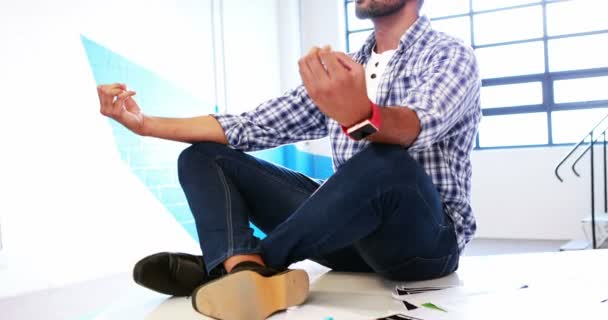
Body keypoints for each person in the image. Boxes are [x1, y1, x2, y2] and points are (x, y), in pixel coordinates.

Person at [97, 0, 481, 319]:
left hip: (424, 244)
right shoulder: (345, 69)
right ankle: (242, 270)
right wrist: (144, 124)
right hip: (350, 241)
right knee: (202, 157)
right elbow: (252, 125)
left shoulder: (449, 55)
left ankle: (240, 267)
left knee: (387, 161)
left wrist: (360, 115)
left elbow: (412, 126)